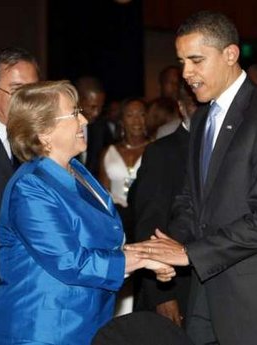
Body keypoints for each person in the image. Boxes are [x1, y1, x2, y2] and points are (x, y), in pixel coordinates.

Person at [125, 10, 257, 345]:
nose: (186, 73)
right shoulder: (202, 118)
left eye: (196, 60)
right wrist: (166, 248)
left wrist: (189, 254)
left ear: (230, 54)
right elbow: (190, 201)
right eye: (181, 62)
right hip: (206, 294)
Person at [0, 81, 175, 345]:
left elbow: (100, 243)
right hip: (42, 329)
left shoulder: (76, 170)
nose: (85, 119)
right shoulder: (31, 187)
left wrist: (145, 253)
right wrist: (143, 258)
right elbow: (71, 262)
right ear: (44, 132)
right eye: (74, 113)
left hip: (83, 321)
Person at [0, 47, 39, 345]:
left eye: (33, 90)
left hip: (29, 289)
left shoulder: (42, 140)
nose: (26, 100)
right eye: (17, 90)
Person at [129, 82, 198, 326]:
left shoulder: (222, 147)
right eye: (194, 104)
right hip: (176, 283)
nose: (201, 110)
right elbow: (150, 224)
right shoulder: (162, 152)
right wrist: (162, 295)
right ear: (181, 107)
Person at [98, 97, 149, 316]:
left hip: (144, 221)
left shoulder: (156, 148)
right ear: (122, 121)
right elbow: (101, 195)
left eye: (141, 114)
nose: (136, 120)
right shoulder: (108, 151)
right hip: (117, 223)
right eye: (130, 115)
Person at [75, 76, 113, 176]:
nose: (97, 113)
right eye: (92, 107)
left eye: (100, 107)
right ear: (78, 100)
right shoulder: (60, 127)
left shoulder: (101, 128)